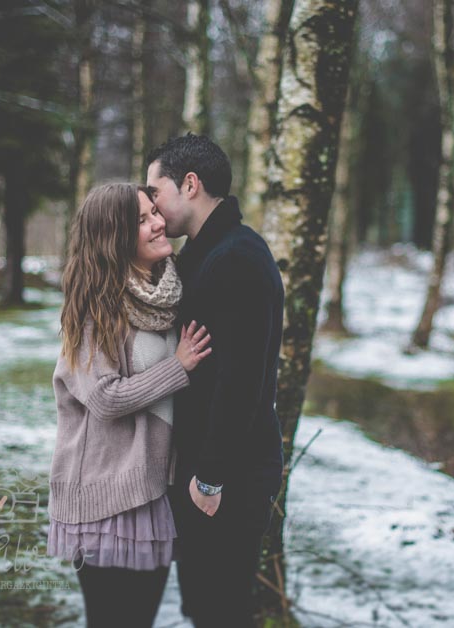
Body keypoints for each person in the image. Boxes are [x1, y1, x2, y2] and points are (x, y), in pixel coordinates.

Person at [46, 182, 213, 627]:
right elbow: (103, 398)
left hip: (150, 493)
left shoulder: (166, 296)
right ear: (115, 236)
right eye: (141, 220)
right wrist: (177, 367)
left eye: (154, 212)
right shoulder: (93, 310)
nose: (158, 223)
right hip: (103, 498)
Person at [146, 133, 285, 627]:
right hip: (212, 475)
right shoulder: (210, 253)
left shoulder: (236, 258)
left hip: (227, 480)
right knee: (204, 608)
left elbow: (241, 381)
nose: (154, 209)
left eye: (155, 192)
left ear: (189, 184)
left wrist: (209, 476)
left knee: (218, 611)